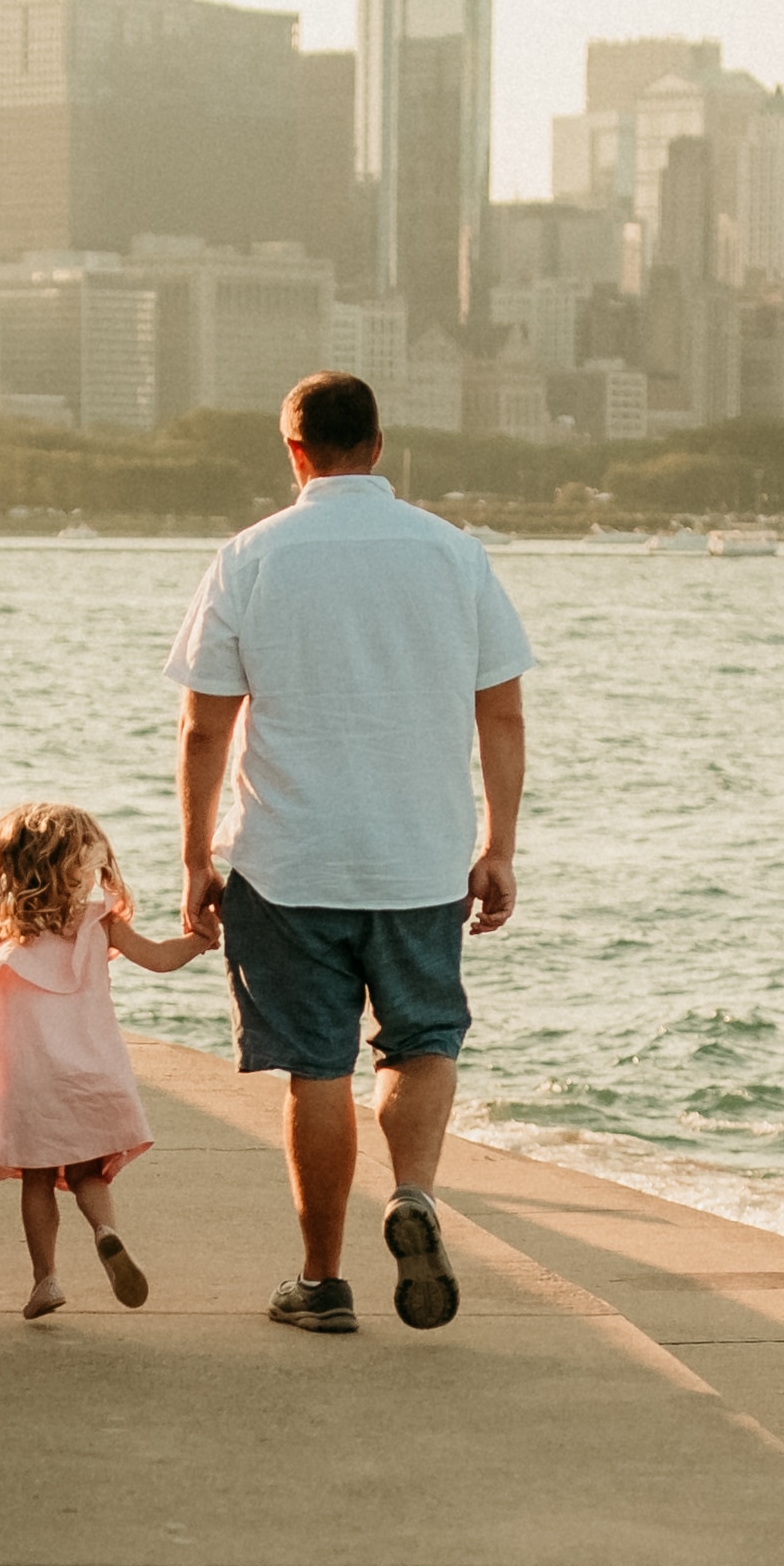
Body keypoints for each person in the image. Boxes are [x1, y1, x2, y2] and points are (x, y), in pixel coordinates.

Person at [171, 371, 531, 1335]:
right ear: (379, 445)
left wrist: (196, 857)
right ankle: (412, 1191)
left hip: (288, 861)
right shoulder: (455, 555)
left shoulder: (249, 558)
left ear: (295, 451)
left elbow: (205, 727)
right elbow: (500, 710)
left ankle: (322, 1283)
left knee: (316, 1069)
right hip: (420, 860)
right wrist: (498, 844)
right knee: (422, 1041)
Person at [0, 799, 205, 1317]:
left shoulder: (5, 926)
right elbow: (161, 960)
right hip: (89, 1075)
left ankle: (46, 1280)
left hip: (30, 1080)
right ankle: (106, 1232)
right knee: (87, 1174)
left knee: (37, 1178)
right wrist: (200, 941)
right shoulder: (101, 924)